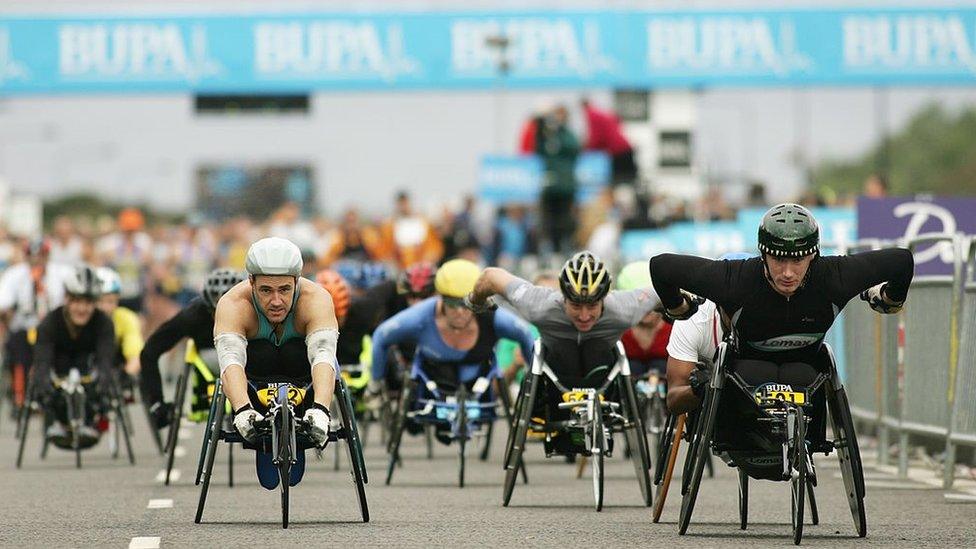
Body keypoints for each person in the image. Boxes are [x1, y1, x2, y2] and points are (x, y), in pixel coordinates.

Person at [649, 203, 914, 450]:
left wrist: (890, 298)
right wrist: (679, 308)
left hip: (806, 372)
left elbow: (902, 261)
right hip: (747, 377)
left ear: (813, 255)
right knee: (752, 371)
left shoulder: (834, 275)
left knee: (803, 374)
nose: (787, 273)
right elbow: (660, 266)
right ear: (763, 254)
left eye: (797, 261)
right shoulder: (735, 278)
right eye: (778, 260)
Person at [214, 237, 340, 490]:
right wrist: (241, 410)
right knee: (258, 351)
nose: (276, 301)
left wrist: (322, 409)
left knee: (302, 350)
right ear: (251, 282)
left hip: (304, 380)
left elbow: (324, 355)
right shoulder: (233, 304)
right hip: (255, 381)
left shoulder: (316, 299)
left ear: (297, 281)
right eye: (265, 290)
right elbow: (231, 363)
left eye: (284, 289)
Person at [371, 259, 535, 443]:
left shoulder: (494, 317)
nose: (459, 311)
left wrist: (535, 383)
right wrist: (376, 383)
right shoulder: (420, 316)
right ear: (440, 297)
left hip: (478, 376)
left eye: (466, 304)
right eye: (452, 303)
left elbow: (526, 335)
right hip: (434, 377)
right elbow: (380, 337)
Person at [466, 250, 660, 381]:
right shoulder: (539, 304)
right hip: (555, 371)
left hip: (603, 372)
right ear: (563, 297)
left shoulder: (623, 307)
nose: (584, 316)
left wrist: (680, 307)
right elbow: (490, 277)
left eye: (592, 306)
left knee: (597, 348)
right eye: (576, 305)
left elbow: (661, 292)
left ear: (604, 299)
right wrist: (476, 301)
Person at [138, 268, 244, 430]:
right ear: (208, 304)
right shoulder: (193, 315)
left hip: (244, 356)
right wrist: (156, 402)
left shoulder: (253, 312)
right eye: (217, 308)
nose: (223, 314)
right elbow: (150, 351)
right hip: (208, 357)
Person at [30, 265, 115, 448]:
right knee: (43, 382)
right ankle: (59, 422)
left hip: (87, 366)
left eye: (88, 303)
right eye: (77, 302)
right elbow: (42, 360)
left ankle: (91, 423)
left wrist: (104, 380)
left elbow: (105, 358)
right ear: (67, 299)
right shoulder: (50, 323)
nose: (82, 309)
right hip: (59, 365)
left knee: (102, 378)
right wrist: (43, 383)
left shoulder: (104, 323)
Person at [0, 238, 72, 410]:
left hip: (53, 326)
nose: (36, 260)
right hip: (24, 326)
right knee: (18, 348)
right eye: (32, 256)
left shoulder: (62, 273)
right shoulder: (14, 274)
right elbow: (4, 303)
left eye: (40, 256)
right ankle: (20, 396)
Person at [536, 105, 580, 254]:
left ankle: (565, 247)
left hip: (565, 187)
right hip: (550, 186)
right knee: (549, 221)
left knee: (565, 220)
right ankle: (552, 248)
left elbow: (574, 147)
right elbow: (537, 148)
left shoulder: (567, 135)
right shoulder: (547, 135)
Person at [616, 261, 671, 377]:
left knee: (661, 365)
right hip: (628, 392)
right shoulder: (619, 332)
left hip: (668, 391)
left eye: (651, 301)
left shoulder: (675, 328)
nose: (647, 308)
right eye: (640, 301)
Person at [95, 267, 143, 378]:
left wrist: (125, 377)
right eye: (99, 301)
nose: (104, 307)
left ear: (118, 300)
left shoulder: (127, 318)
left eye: (110, 301)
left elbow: (135, 357)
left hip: (115, 371)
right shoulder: (82, 318)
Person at [581, 98, 637, 186]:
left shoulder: (591, 114)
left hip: (619, 151)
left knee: (620, 181)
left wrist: (586, 150)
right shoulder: (600, 113)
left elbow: (597, 137)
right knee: (629, 181)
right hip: (623, 148)